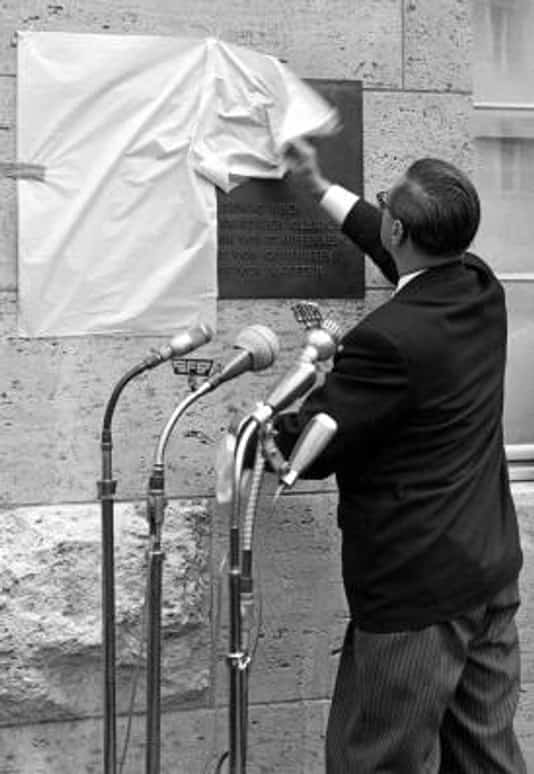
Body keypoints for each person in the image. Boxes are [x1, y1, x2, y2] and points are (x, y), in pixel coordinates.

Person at [273, 139, 526, 773]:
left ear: (399, 227)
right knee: (486, 757)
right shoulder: (479, 287)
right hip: (487, 570)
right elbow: (402, 255)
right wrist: (317, 186)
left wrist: (266, 423)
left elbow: (311, 449)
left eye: (385, 204)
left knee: (380, 760)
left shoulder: (384, 341)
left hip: (416, 598)